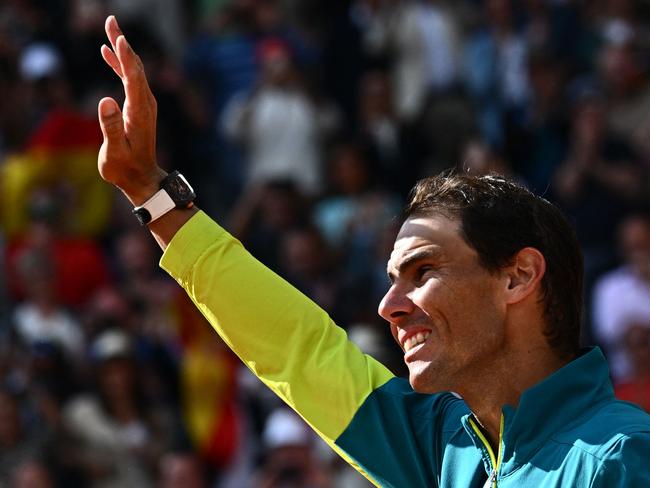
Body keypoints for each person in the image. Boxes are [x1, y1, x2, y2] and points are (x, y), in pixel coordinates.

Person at [95, 15, 650, 487]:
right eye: (392, 277)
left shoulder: (621, 458)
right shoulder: (443, 450)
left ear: (517, 277)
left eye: (424, 270)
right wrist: (152, 194)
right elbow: (299, 350)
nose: (389, 306)